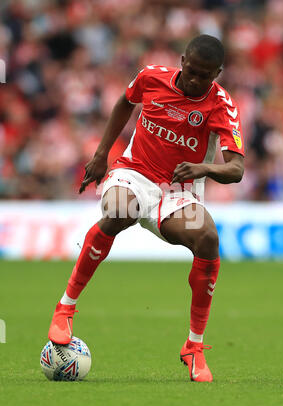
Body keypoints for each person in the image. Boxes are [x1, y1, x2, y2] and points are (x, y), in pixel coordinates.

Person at [48, 35, 244, 382]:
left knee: (209, 240)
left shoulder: (221, 105)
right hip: (134, 173)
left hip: (179, 190)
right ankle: (65, 307)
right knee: (120, 211)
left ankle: (194, 346)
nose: (195, 81)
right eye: (191, 71)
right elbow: (124, 103)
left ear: (218, 73)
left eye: (205, 76)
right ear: (182, 60)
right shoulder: (151, 77)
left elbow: (236, 169)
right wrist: (101, 155)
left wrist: (204, 168)